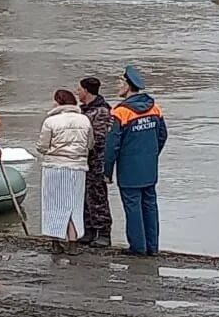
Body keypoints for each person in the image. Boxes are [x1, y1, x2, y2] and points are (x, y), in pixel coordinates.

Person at [103, 65, 167, 257]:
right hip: (149, 168)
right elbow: (163, 135)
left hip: (129, 169)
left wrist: (107, 171)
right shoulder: (154, 108)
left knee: (132, 207)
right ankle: (153, 246)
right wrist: (152, 154)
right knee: (150, 205)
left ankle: (138, 247)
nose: (118, 85)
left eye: (120, 82)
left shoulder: (120, 112)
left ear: (127, 85)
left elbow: (111, 145)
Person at [37, 89, 93, 255]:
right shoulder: (85, 120)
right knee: (74, 204)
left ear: (58, 102)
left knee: (54, 204)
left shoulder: (51, 121)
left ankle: (56, 242)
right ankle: (73, 242)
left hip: (55, 167)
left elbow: (42, 146)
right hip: (78, 168)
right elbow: (90, 144)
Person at [75, 76, 113, 248]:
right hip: (83, 161)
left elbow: (99, 139)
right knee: (85, 196)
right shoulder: (85, 110)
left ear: (86, 91)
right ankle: (88, 230)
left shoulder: (101, 112)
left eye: (79, 89)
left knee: (98, 197)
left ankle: (103, 232)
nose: (77, 92)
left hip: (96, 162)